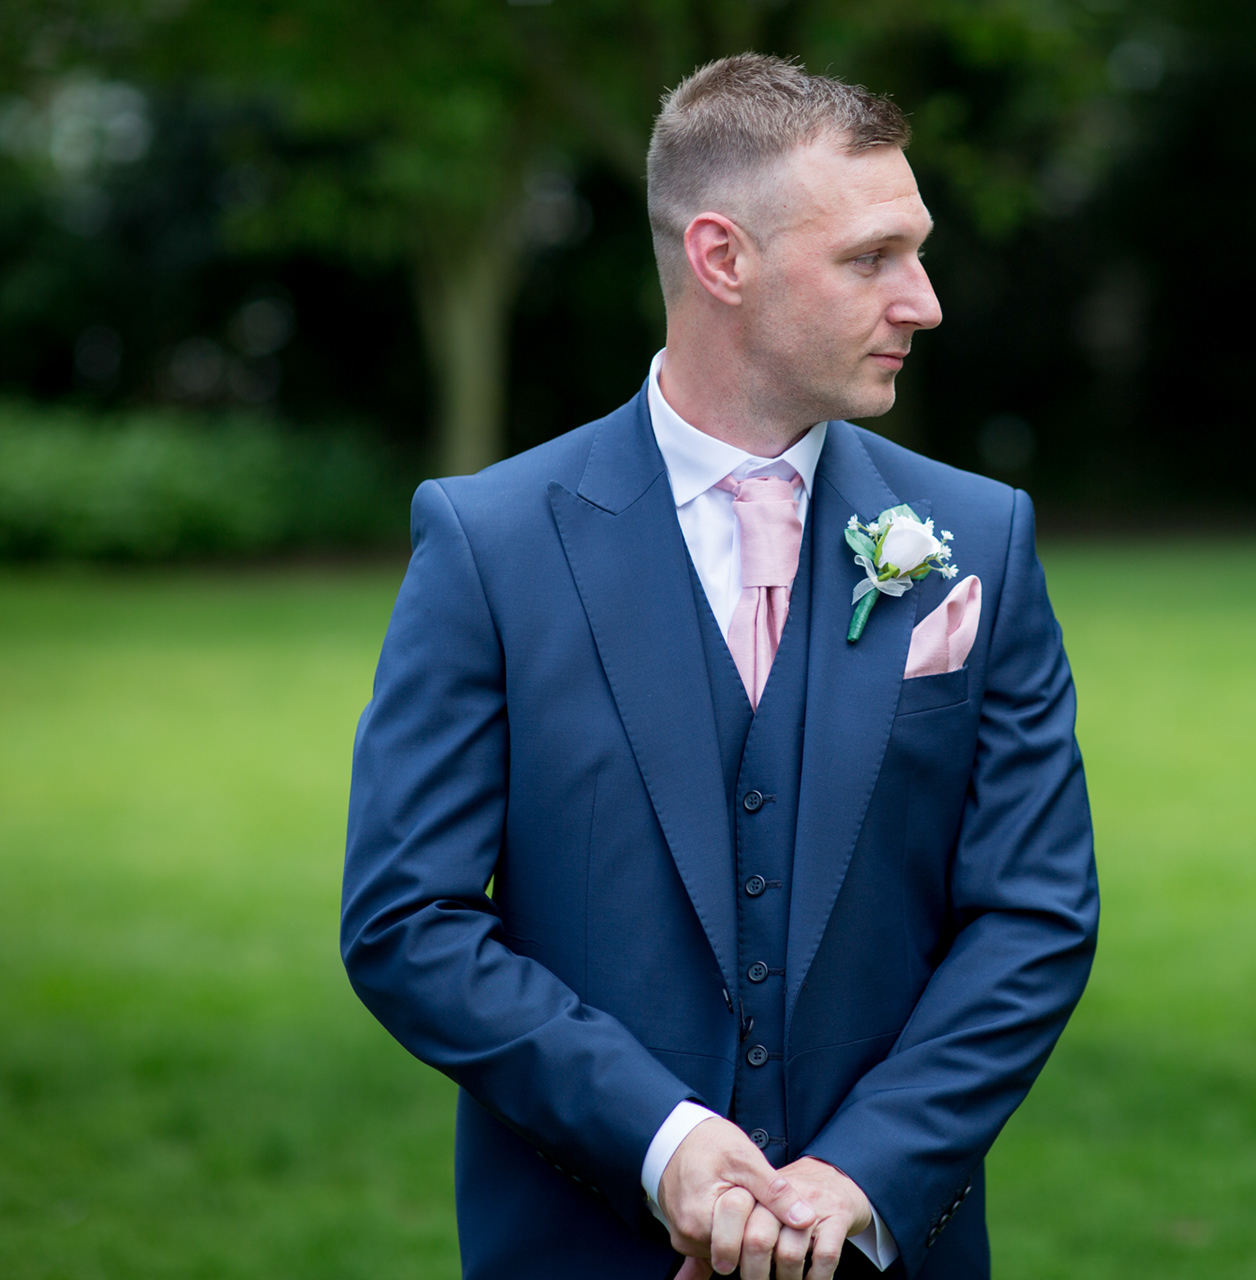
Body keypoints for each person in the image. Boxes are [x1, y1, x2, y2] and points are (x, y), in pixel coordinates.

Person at [340, 53, 1098, 1280]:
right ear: (721, 258)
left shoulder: (980, 539)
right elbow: (406, 919)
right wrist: (664, 1140)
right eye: (871, 258)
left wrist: (864, 1173)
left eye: (916, 252)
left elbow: (1036, 912)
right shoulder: (491, 544)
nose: (924, 302)